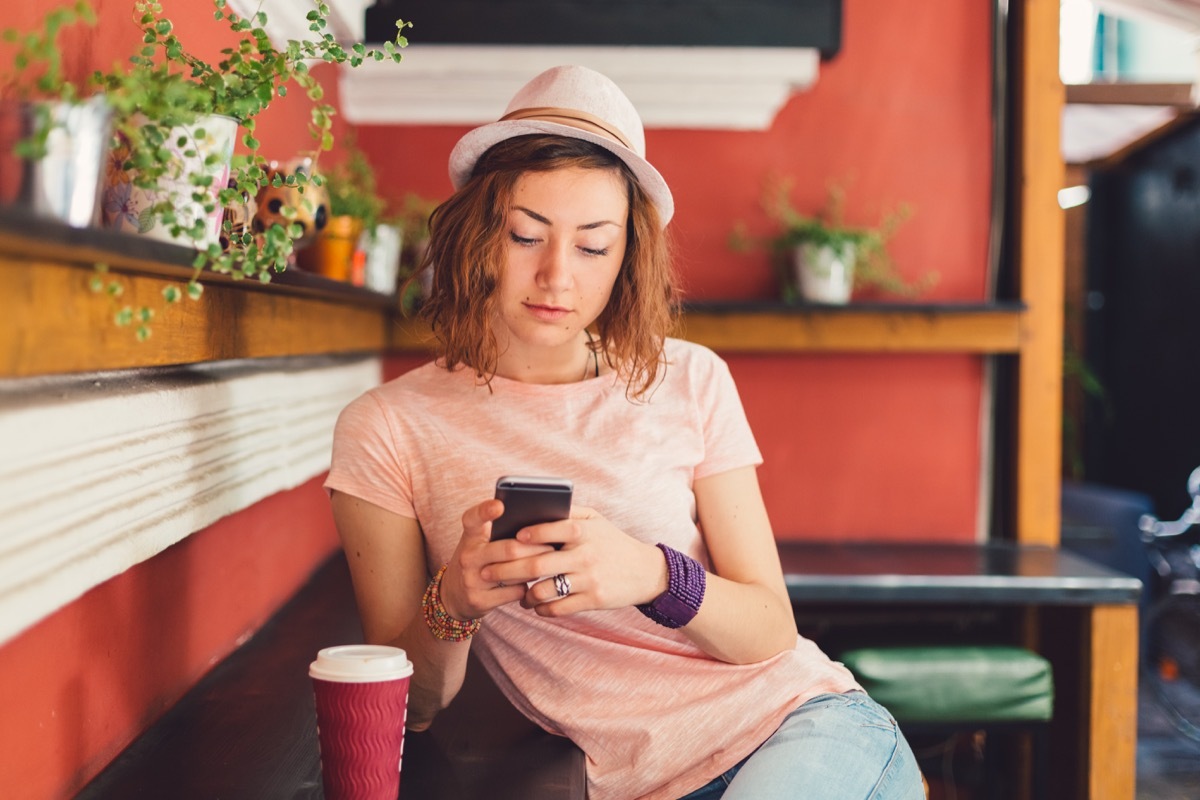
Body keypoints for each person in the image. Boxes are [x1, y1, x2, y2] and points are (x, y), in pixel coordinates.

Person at [325, 64, 924, 800]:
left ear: (625, 262)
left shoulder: (691, 377)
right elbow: (409, 710)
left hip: (801, 725)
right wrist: (454, 603)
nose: (555, 276)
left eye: (592, 246)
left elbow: (770, 629)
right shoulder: (387, 427)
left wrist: (653, 573)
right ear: (479, 234)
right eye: (525, 234)